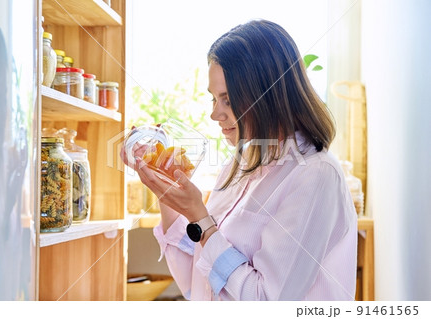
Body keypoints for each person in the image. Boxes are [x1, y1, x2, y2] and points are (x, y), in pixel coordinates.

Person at [122, 19, 357, 301]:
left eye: (228, 101)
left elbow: (267, 301)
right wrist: (166, 191)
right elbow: (196, 282)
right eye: (213, 99)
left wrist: (200, 216)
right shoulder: (239, 165)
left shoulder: (316, 176)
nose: (214, 114)